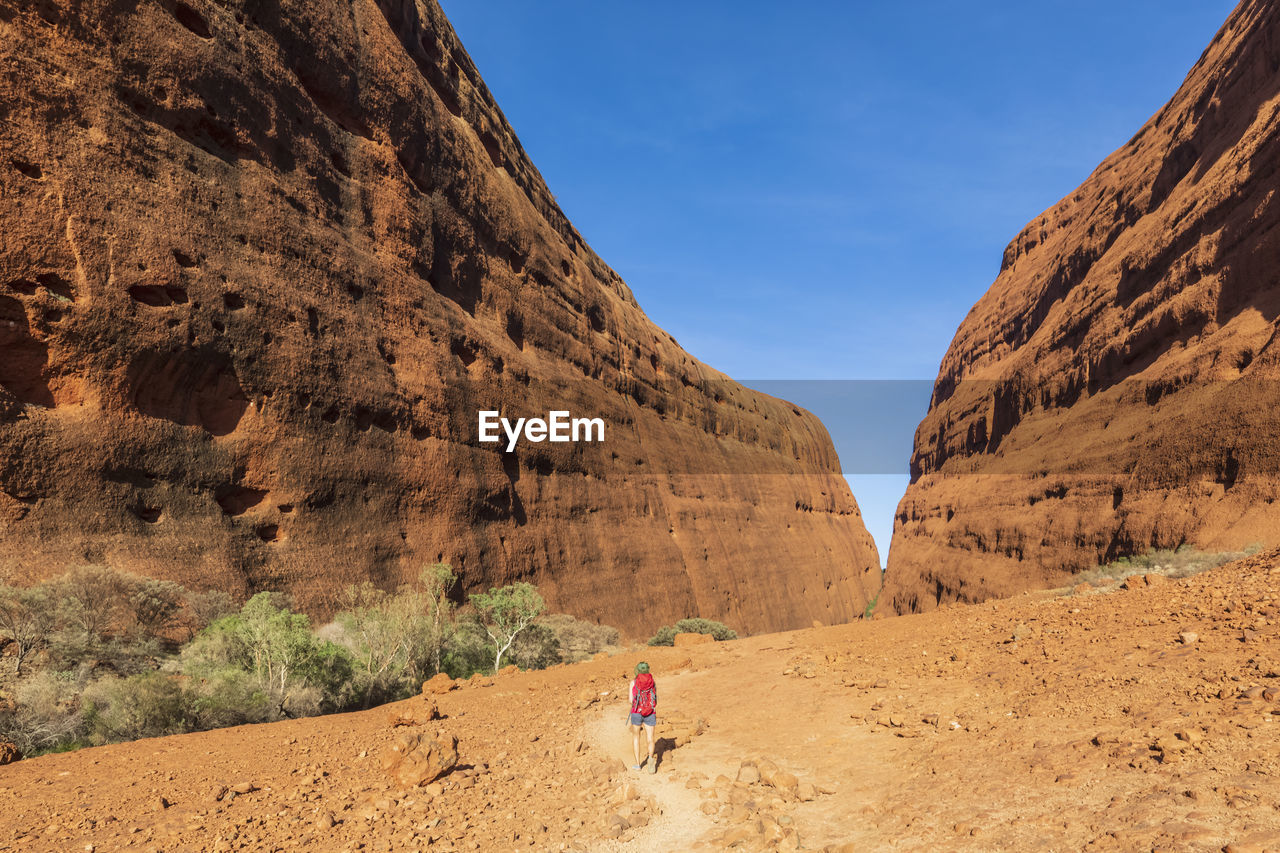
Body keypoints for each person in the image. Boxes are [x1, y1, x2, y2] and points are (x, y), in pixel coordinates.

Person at [627, 661, 658, 773]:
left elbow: (631, 700)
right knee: (650, 738)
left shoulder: (633, 682)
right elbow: (655, 699)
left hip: (636, 713)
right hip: (650, 713)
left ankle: (638, 764)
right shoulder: (652, 682)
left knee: (636, 738)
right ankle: (650, 761)